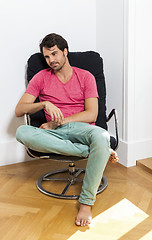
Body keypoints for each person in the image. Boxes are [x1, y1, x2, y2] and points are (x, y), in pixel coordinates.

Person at [15, 33, 118, 227]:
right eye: (46, 57)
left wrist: (59, 122)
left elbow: (92, 115)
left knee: (101, 135)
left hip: (81, 129)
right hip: (53, 134)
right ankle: (100, 150)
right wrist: (44, 104)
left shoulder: (85, 76)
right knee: (22, 132)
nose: (51, 60)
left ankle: (86, 203)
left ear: (65, 52)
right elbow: (19, 110)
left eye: (54, 54)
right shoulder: (41, 78)